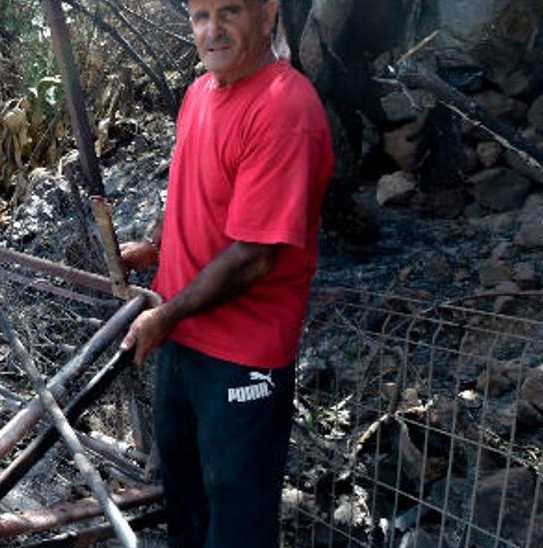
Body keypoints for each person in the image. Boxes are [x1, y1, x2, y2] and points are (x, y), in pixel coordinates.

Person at [118, 0, 333, 545]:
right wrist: (158, 246)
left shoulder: (284, 107)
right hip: (184, 339)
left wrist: (166, 313)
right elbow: (207, 194)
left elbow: (257, 254)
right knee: (185, 498)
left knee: (236, 515)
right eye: (199, 16)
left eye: (229, 12)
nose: (212, 30)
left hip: (241, 356)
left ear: (266, 16)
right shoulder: (199, 94)